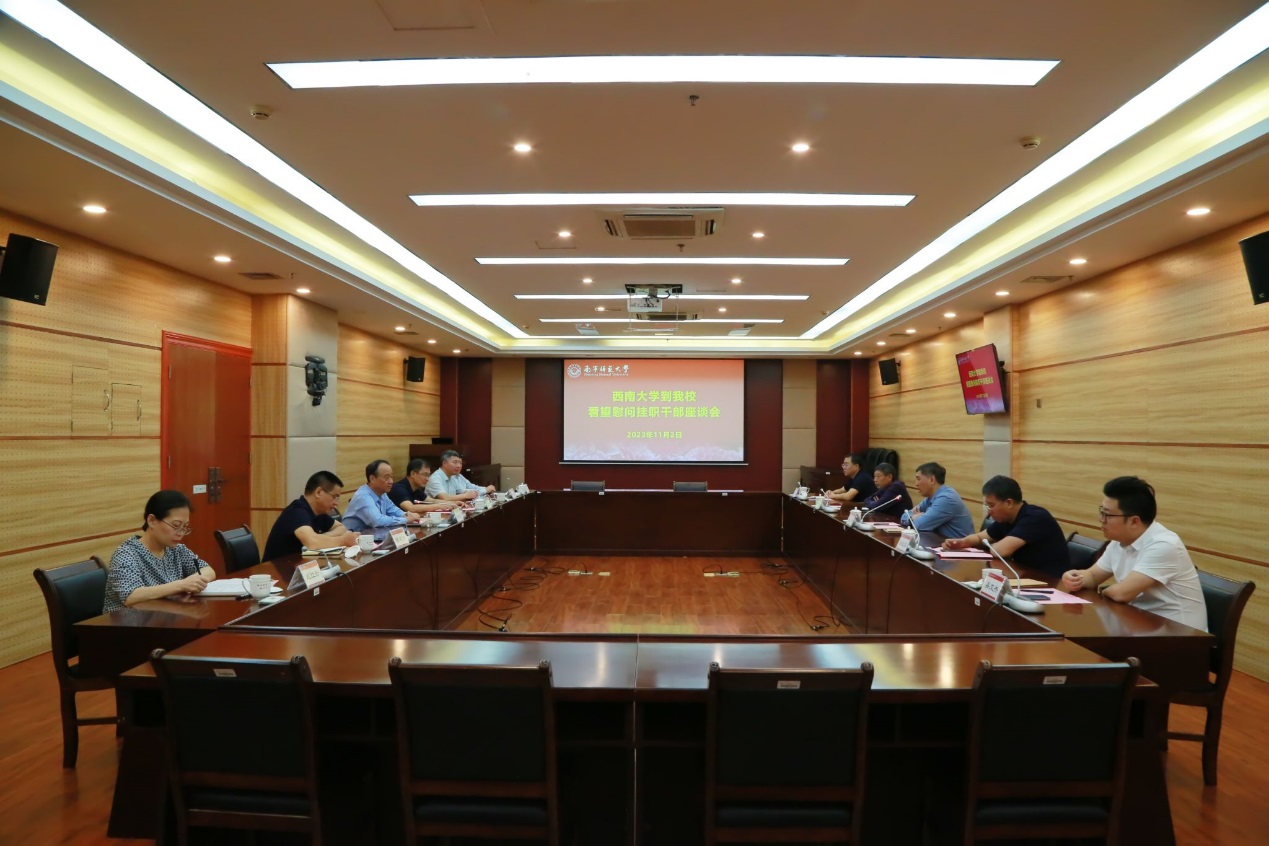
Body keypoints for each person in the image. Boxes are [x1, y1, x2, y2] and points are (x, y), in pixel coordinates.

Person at [1061, 477, 1207, 630]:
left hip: (1180, 636)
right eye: (1101, 512)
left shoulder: (1164, 544)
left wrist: (1105, 592)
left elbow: (1122, 593)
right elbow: (1092, 576)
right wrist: (1075, 578)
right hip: (1140, 625)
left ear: (1134, 521)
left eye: (1107, 515)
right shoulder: (1118, 541)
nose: (1101, 519)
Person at [103, 490, 217, 612]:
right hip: (128, 621)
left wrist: (194, 582)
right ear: (152, 520)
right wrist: (181, 585)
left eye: (185, 527)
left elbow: (208, 570)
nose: (180, 533)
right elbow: (130, 596)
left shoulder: (176, 549)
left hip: (165, 616)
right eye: (175, 525)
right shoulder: (127, 554)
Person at [942, 475, 1068, 577]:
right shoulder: (1006, 519)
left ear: (1009, 503)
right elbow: (980, 538)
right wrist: (962, 542)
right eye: (987, 506)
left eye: (991, 505)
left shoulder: (1035, 517)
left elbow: (999, 551)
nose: (989, 511)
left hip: (1050, 581)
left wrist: (991, 545)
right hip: (1024, 574)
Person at [262, 470, 358, 561]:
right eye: (335, 497)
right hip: (276, 569)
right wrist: (343, 540)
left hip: (301, 565)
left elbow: (341, 528)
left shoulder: (319, 513)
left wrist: (322, 537)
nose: (336, 503)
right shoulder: (296, 512)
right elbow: (313, 544)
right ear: (318, 492)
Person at [342, 460, 422, 532]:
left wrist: (406, 515)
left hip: (373, 536)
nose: (391, 481)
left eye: (391, 477)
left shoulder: (382, 493)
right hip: (353, 539)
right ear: (372, 479)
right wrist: (405, 520)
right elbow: (377, 521)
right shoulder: (363, 496)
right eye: (386, 477)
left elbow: (393, 509)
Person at [901, 462, 975, 539]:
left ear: (932, 480)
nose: (916, 483)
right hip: (942, 542)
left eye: (918, 479)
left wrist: (912, 518)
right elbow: (904, 516)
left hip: (959, 545)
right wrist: (913, 518)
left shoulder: (946, 499)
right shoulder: (931, 497)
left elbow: (918, 525)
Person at [389, 459, 453, 515]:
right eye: (425, 474)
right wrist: (438, 506)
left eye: (428, 475)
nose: (427, 479)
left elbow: (432, 501)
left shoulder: (417, 489)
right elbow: (411, 508)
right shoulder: (398, 489)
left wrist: (452, 503)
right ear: (413, 474)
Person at [425, 450, 495, 501]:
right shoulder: (435, 478)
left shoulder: (453, 476)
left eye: (460, 463)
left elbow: (465, 491)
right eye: (455, 462)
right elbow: (444, 498)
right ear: (444, 463)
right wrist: (466, 495)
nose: (459, 466)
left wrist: (485, 490)